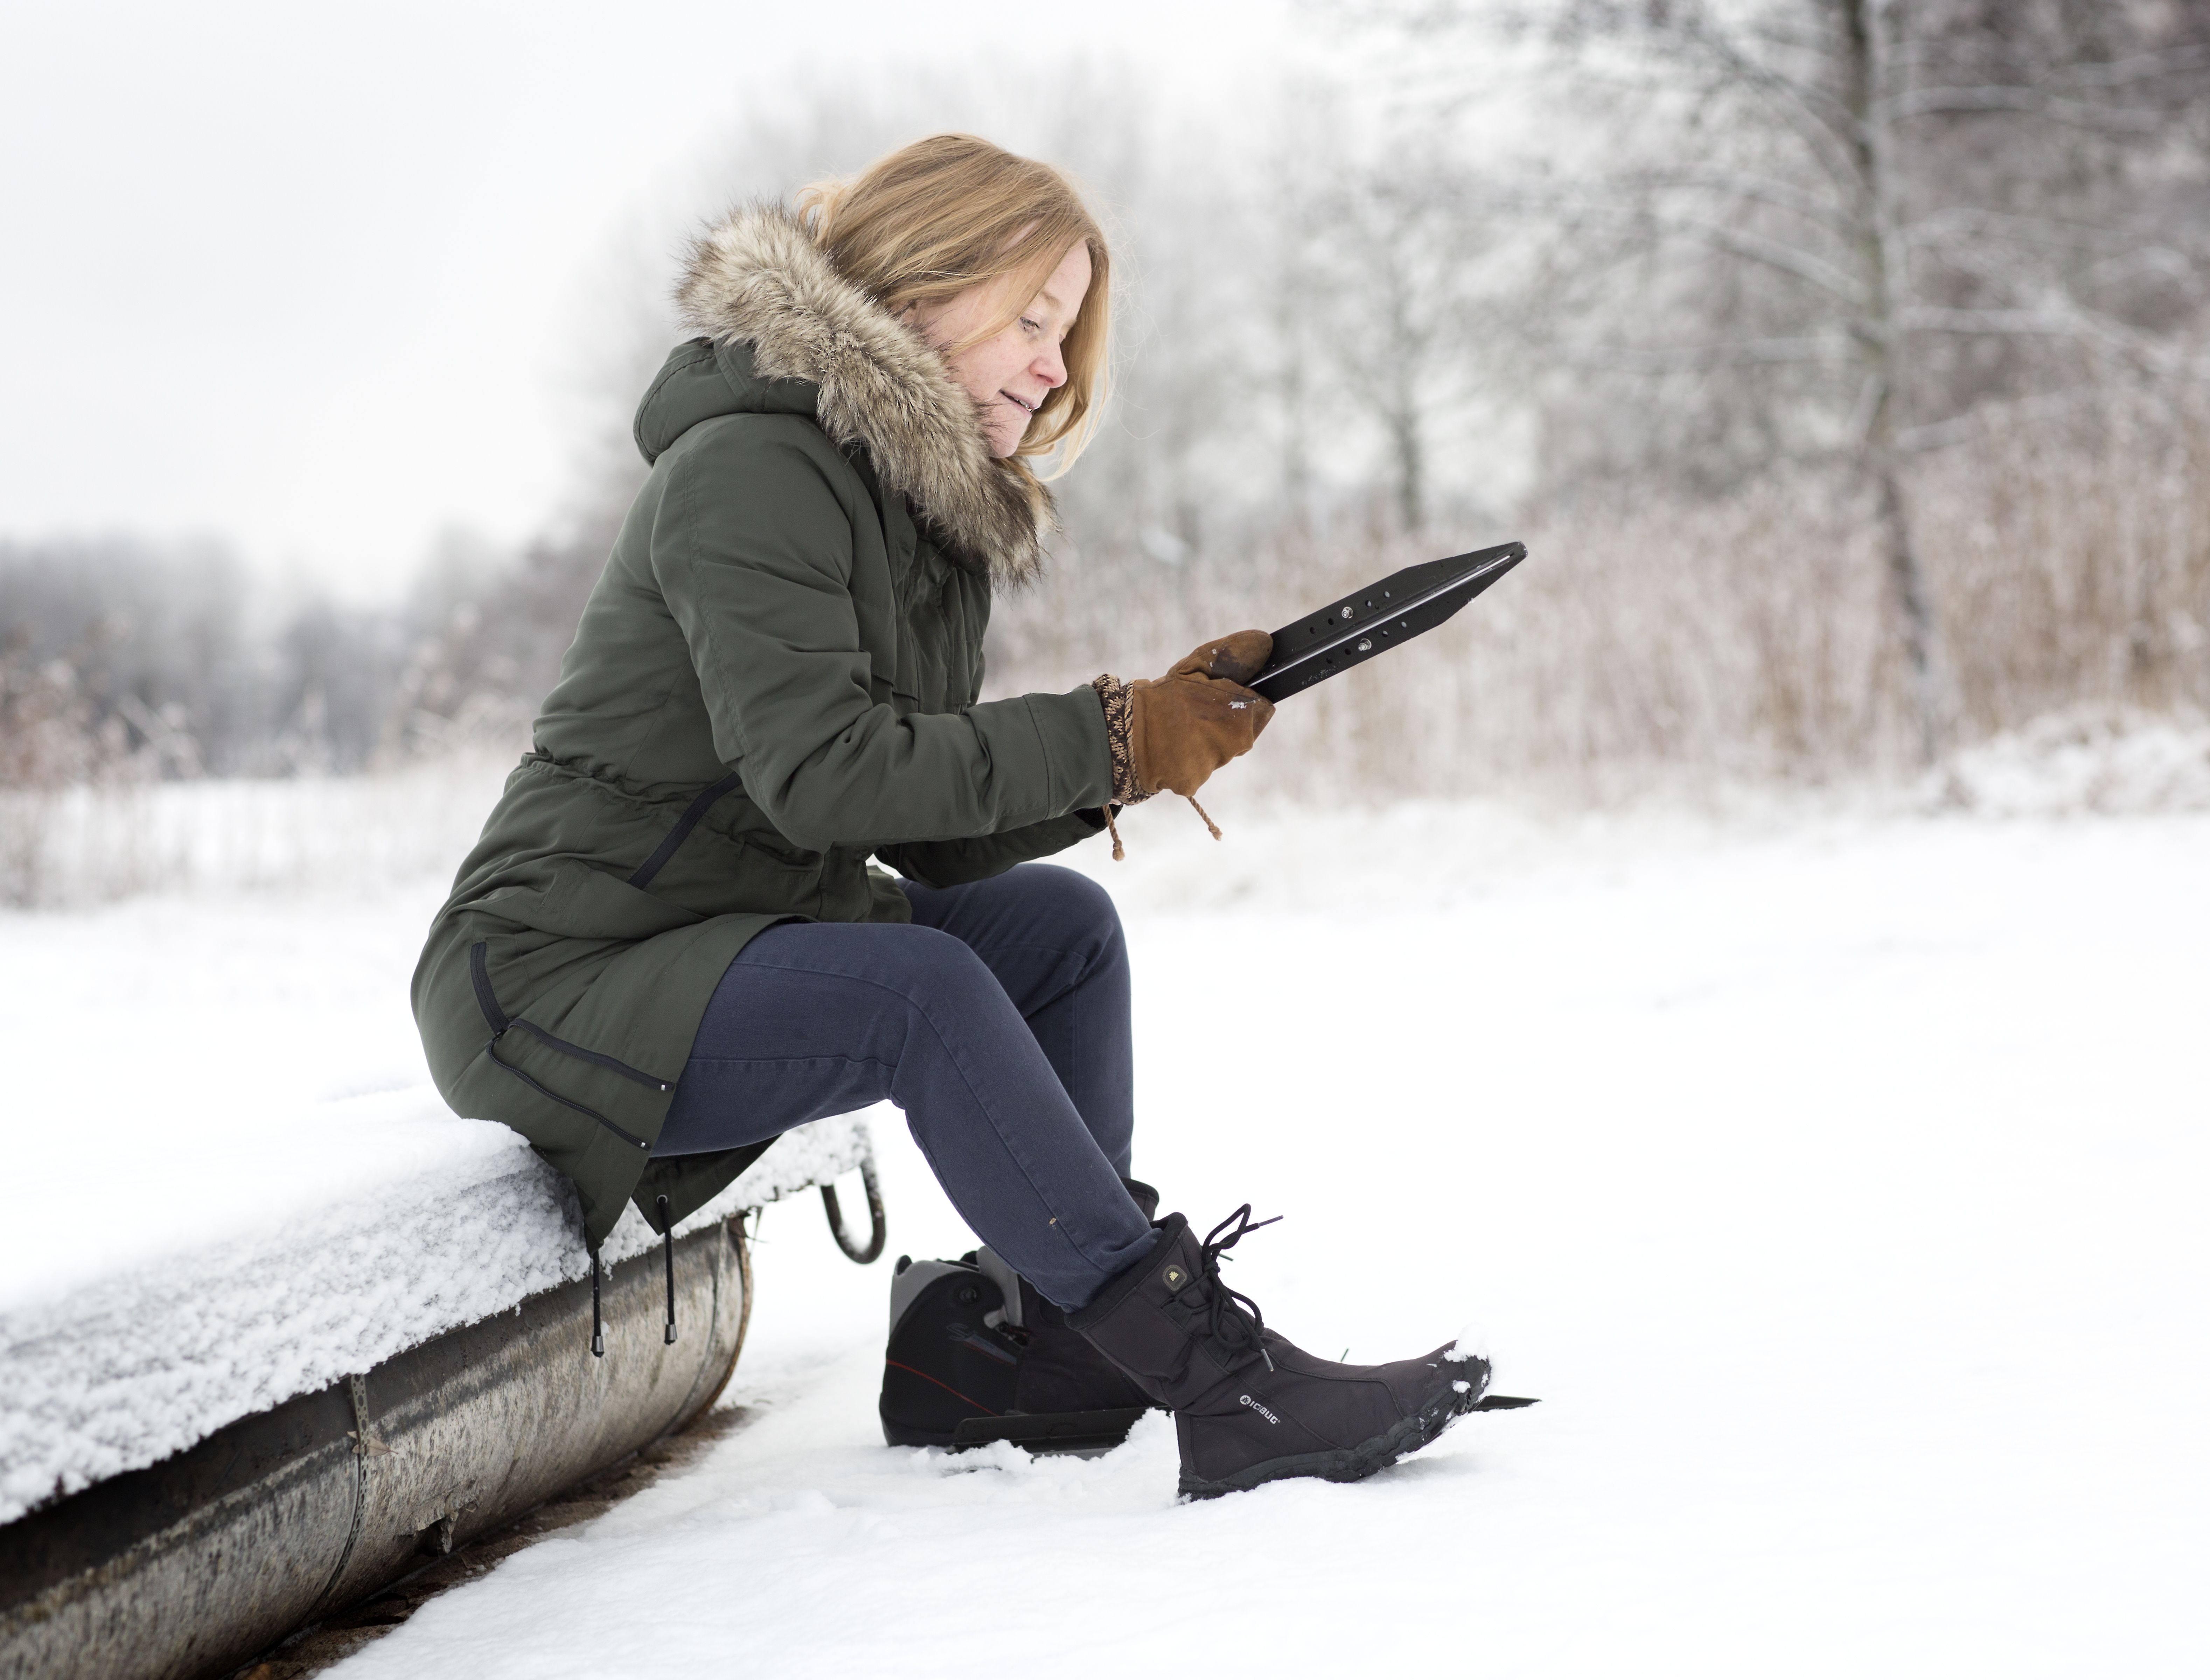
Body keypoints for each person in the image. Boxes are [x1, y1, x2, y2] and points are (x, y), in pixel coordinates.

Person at [410, 134, 1489, 1499]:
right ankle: (1221, 1380)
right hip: (555, 976)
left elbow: (918, 827)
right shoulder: (751, 468)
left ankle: (1053, 1350)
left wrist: (1140, 754)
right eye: (1035, 320)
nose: (1057, 370)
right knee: (919, 988)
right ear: (926, 283)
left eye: (1070, 336)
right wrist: (1106, 727)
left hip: (734, 927)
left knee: (1056, 929)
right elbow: (828, 776)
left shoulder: (914, 519)